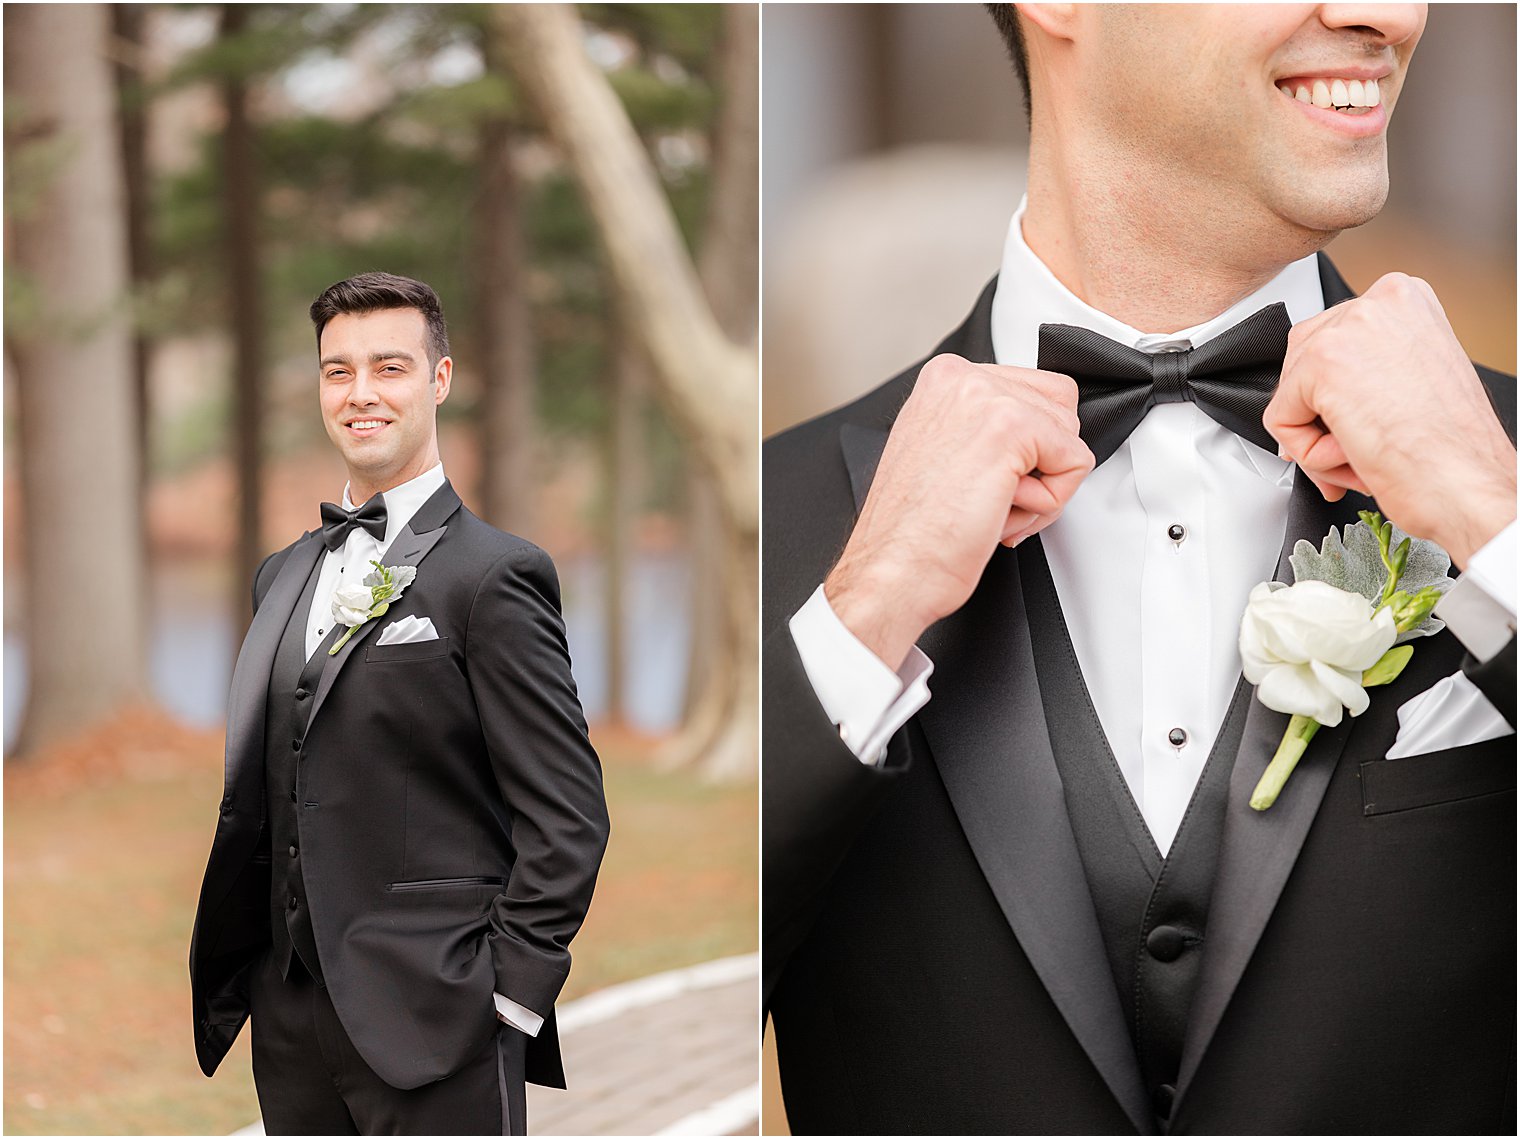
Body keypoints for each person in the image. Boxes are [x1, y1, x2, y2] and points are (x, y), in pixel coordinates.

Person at [763, 5, 1515, 1134]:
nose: (1389, 12)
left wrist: (1492, 521)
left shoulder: (1501, 472)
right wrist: (861, 615)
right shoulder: (782, 517)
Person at [189, 272, 610, 1135]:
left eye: (389, 367)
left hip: (441, 1020)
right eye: (337, 372)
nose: (361, 394)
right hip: (293, 1022)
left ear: (440, 379)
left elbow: (569, 816)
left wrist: (508, 999)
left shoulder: (495, 575)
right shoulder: (284, 573)